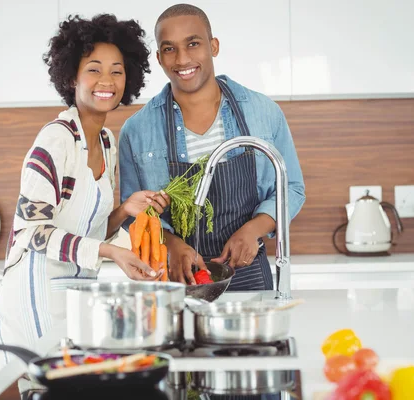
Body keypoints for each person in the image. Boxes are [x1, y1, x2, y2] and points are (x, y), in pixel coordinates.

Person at [0, 13, 169, 369]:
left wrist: (125, 211)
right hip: (35, 292)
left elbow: (88, 232)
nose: (107, 80)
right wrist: (111, 253)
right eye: (94, 69)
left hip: (77, 293)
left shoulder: (107, 142)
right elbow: (32, 232)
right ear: (72, 75)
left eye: (117, 71)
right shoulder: (56, 140)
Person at [119, 4, 305, 291]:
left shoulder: (263, 112)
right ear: (158, 57)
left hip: (249, 275)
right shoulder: (137, 130)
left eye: (193, 44)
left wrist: (254, 229)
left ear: (213, 46)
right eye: (169, 49)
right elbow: (132, 213)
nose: (182, 59)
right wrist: (170, 245)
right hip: (172, 281)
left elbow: (291, 187)